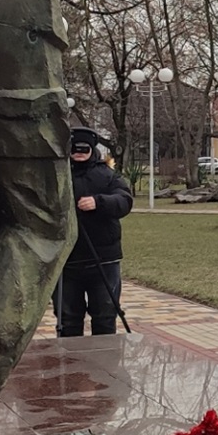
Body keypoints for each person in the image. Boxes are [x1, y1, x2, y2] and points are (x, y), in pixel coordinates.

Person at [57, 127, 134, 336]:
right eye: (75, 148)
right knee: (67, 317)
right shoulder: (57, 175)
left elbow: (125, 200)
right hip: (67, 261)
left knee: (105, 314)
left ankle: (105, 362)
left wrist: (99, 202)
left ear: (92, 149)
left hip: (104, 259)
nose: (79, 152)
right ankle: (70, 362)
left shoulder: (108, 175)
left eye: (84, 148)